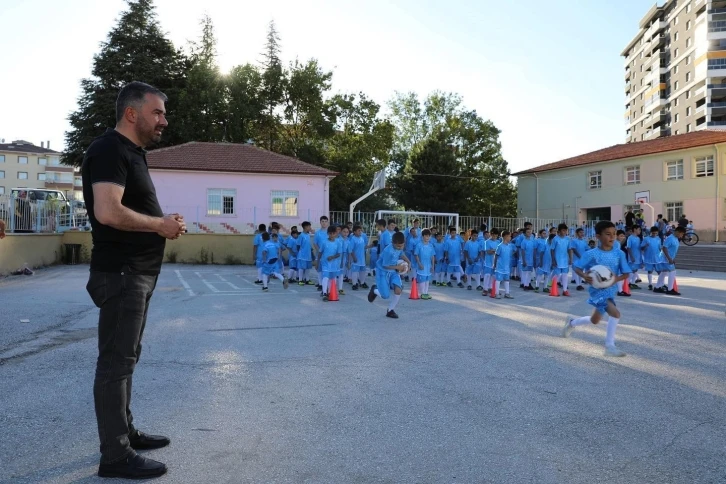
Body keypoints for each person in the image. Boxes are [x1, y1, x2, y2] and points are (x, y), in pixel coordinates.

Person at [82, 81, 185, 479]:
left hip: (135, 274)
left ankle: (123, 432)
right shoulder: (109, 148)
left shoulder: (132, 153)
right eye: (156, 112)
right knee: (115, 365)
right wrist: (159, 225)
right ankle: (115, 455)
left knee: (126, 360)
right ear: (132, 113)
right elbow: (108, 211)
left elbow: (130, 209)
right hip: (122, 274)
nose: (163, 119)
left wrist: (162, 223)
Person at [562, 221, 631, 357]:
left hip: (611, 290)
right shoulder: (591, 254)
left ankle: (571, 323)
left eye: (614, 234)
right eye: (608, 234)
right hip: (597, 291)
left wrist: (614, 279)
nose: (612, 237)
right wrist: (584, 275)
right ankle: (609, 346)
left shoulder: (619, 254)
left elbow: (626, 273)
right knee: (615, 314)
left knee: (595, 320)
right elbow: (577, 266)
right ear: (598, 236)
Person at [368, 231, 411, 318]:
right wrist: (398, 267)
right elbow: (385, 265)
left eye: (402, 245)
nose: (400, 248)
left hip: (393, 272)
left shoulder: (400, 247)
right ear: (393, 243)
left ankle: (390, 310)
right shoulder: (388, 250)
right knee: (385, 296)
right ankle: (374, 290)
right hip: (383, 272)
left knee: (398, 290)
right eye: (398, 246)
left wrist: (408, 262)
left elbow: (401, 254)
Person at [654, 226, 686, 295]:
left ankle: (657, 287)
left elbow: (673, 250)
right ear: (678, 232)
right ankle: (670, 289)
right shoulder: (670, 238)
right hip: (665, 259)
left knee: (664, 272)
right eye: (682, 234)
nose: (682, 235)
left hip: (668, 259)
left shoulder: (676, 239)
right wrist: (669, 259)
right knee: (673, 272)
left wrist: (672, 259)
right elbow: (664, 248)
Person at [319, 226, 341, 301]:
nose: (332, 235)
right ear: (328, 233)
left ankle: (329, 292)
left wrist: (332, 257)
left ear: (336, 233)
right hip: (325, 263)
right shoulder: (324, 242)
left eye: (333, 233)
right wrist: (317, 261)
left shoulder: (338, 242)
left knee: (332, 279)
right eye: (330, 233)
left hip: (334, 264)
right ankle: (324, 293)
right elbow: (320, 252)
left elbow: (338, 254)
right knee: (325, 277)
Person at [550, 223, 572, 296]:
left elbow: (569, 249)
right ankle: (553, 290)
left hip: (565, 260)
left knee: (565, 275)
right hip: (557, 260)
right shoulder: (555, 239)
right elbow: (552, 250)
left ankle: (565, 290)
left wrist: (571, 258)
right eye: (563, 230)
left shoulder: (567, 239)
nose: (565, 232)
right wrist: (553, 260)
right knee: (557, 275)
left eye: (566, 230)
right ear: (559, 231)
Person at [414, 229, 436, 299]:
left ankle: (426, 293)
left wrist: (432, 266)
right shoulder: (419, 245)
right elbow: (416, 255)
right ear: (422, 236)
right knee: (422, 280)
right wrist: (419, 264)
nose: (428, 238)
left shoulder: (431, 245)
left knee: (427, 280)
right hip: (422, 266)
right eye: (426, 236)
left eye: (429, 236)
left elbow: (432, 256)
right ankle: (422, 293)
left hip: (428, 266)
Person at [492, 230, 514, 299]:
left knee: (507, 280)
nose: (510, 237)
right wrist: (494, 265)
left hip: (507, 267)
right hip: (500, 267)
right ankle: (496, 293)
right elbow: (496, 256)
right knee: (498, 280)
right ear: (505, 237)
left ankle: (507, 293)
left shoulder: (509, 246)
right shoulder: (500, 246)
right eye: (509, 236)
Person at [641, 226, 662, 290]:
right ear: (650, 232)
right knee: (650, 271)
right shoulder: (646, 239)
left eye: (656, 233)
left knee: (659, 271)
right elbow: (642, 248)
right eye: (653, 233)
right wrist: (645, 246)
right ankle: (650, 284)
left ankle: (660, 284)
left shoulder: (658, 239)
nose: (654, 234)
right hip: (649, 257)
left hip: (657, 257)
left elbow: (659, 248)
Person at [481, 228, 500, 295]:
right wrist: (494, 250)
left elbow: (499, 252)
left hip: (495, 262)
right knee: (487, 275)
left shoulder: (498, 242)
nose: (495, 237)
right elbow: (488, 252)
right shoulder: (487, 242)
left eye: (496, 236)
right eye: (494, 235)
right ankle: (485, 289)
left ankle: (491, 288)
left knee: (493, 276)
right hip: (488, 262)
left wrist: (493, 250)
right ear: (491, 234)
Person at [348, 225, 367, 290]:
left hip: (362, 259)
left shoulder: (361, 238)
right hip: (356, 259)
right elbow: (351, 249)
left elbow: (363, 247)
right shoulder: (353, 239)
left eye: (360, 230)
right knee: (355, 271)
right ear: (354, 232)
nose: (360, 232)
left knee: (363, 271)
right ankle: (354, 284)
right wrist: (354, 257)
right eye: (359, 230)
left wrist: (370, 246)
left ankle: (362, 283)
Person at [296, 221, 314, 285]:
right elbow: (298, 245)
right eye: (309, 226)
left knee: (307, 268)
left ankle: (307, 279)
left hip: (308, 255)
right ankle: (300, 280)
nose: (310, 228)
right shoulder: (301, 235)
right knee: (301, 267)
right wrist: (300, 252)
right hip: (302, 255)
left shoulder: (308, 235)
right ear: (305, 227)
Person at [626, 225, 643, 290]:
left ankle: (632, 283)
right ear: (635, 229)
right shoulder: (630, 238)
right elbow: (628, 247)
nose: (640, 231)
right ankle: (627, 283)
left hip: (638, 257)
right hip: (632, 257)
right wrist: (631, 257)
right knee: (631, 270)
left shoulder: (638, 238)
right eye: (639, 229)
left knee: (635, 270)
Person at [519, 226, 536, 291]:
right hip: (525, 259)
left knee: (529, 272)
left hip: (531, 259)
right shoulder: (524, 241)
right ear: (524, 233)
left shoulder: (532, 240)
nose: (529, 233)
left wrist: (534, 258)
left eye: (530, 232)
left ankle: (528, 284)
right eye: (527, 232)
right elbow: (522, 252)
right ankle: (525, 285)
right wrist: (524, 260)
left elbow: (534, 250)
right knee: (525, 272)